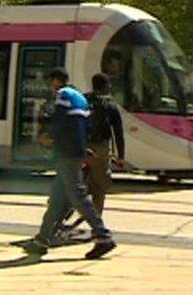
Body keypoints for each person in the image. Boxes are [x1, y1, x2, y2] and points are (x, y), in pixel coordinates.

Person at [23, 67, 116, 260]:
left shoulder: (62, 95)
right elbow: (85, 126)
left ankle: (103, 236)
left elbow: (60, 122)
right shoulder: (80, 97)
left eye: (50, 83)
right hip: (75, 150)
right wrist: (84, 148)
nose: (50, 87)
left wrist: (50, 137)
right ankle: (42, 240)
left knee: (77, 195)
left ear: (55, 81)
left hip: (66, 152)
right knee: (58, 197)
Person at [85, 73, 126, 216]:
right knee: (99, 187)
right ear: (106, 86)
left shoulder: (83, 100)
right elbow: (118, 134)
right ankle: (96, 222)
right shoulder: (111, 106)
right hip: (99, 148)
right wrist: (120, 157)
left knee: (74, 182)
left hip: (80, 146)